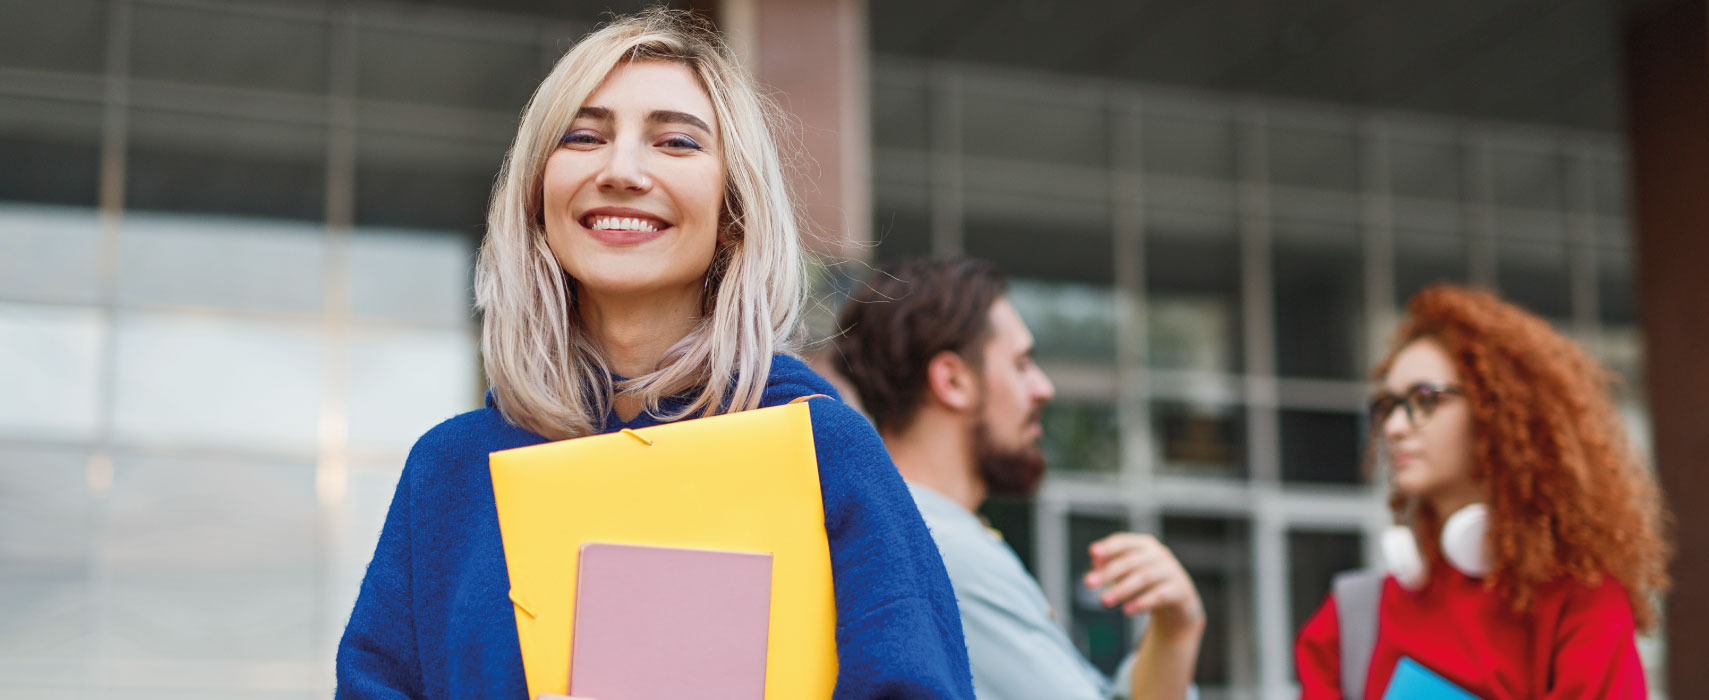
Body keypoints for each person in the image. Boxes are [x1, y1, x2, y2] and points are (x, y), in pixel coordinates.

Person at [334, 11, 972, 698]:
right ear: (537, 198)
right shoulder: (452, 472)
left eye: (675, 142)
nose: (622, 170)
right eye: (583, 137)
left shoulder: (821, 450)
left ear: (733, 215)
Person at [833, 257, 1204, 700]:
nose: (1044, 388)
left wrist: (1176, 630)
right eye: (1022, 364)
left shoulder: (907, 531)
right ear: (953, 380)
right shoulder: (942, 549)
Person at [1294, 284, 1671, 699]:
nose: (1395, 428)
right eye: (1388, 406)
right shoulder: (1354, 617)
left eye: (1425, 399)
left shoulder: (1582, 603)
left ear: (1498, 409)